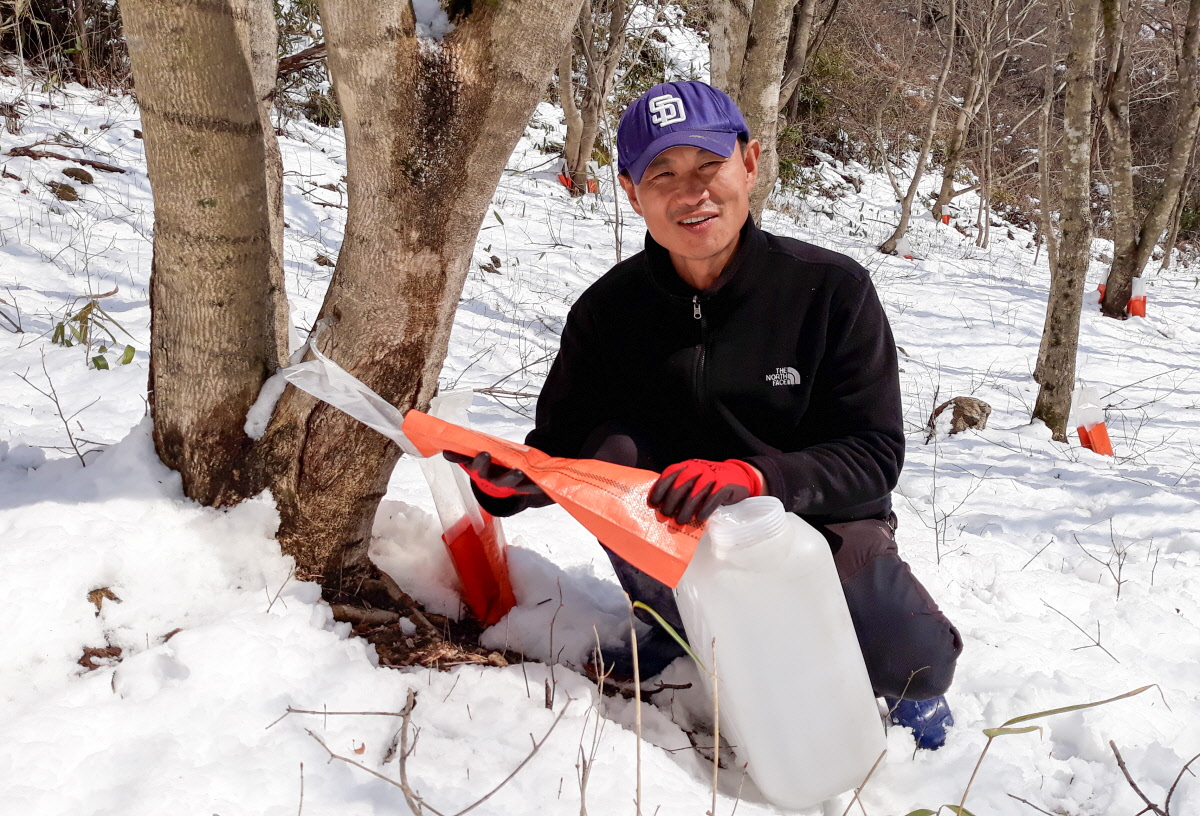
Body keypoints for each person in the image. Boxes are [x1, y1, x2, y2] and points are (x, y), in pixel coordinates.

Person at [448, 80, 962, 750]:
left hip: (814, 524)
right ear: (632, 193)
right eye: (663, 173)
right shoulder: (607, 314)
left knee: (916, 663)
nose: (691, 194)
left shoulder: (830, 290)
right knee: (612, 454)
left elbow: (874, 454)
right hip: (677, 526)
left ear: (749, 163)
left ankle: (891, 683)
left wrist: (755, 478)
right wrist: (511, 487)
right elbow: (563, 452)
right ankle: (672, 627)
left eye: (708, 166)